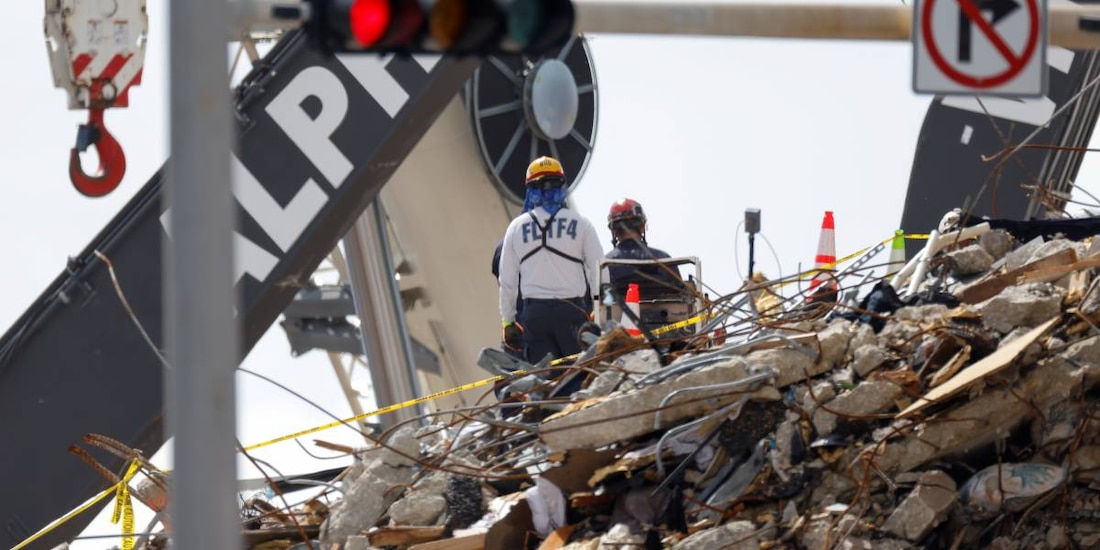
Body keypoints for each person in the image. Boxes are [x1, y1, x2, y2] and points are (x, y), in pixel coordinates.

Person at [498, 156, 605, 364]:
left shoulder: (516, 228)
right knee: (580, 371)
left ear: (530, 189)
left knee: (547, 376)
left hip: (535, 316)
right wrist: (599, 309)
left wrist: (508, 322)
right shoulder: (581, 224)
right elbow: (599, 270)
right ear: (561, 185)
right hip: (571, 312)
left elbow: (507, 281)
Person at [604, 198, 683, 297]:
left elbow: (595, 297)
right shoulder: (664, 259)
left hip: (616, 307)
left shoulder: (605, 265)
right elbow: (681, 294)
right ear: (642, 227)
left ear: (613, 230)